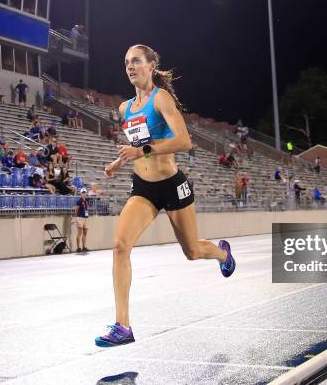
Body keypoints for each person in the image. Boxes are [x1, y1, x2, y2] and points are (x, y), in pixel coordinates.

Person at [96, 44, 235, 348]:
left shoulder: (161, 98)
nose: (130, 67)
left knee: (193, 252)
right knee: (120, 246)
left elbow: (184, 141)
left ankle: (223, 252)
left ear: (150, 65)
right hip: (143, 188)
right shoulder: (126, 108)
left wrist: (140, 151)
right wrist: (118, 162)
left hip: (172, 185)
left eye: (136, 61)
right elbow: (138, 143)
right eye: (126, 63)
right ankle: (123, 325)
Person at [75, 188, 90, 252]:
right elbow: (76, 209)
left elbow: (86, 209)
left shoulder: (86, 201)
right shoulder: (79, 201)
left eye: (85, 192)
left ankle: (84, 246)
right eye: (83, 193)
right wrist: (76, 216)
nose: (84, 194)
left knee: (85, 232)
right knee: (80, 232)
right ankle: (78, 247)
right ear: (81, 193)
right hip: (80, 217)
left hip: (85, 218)